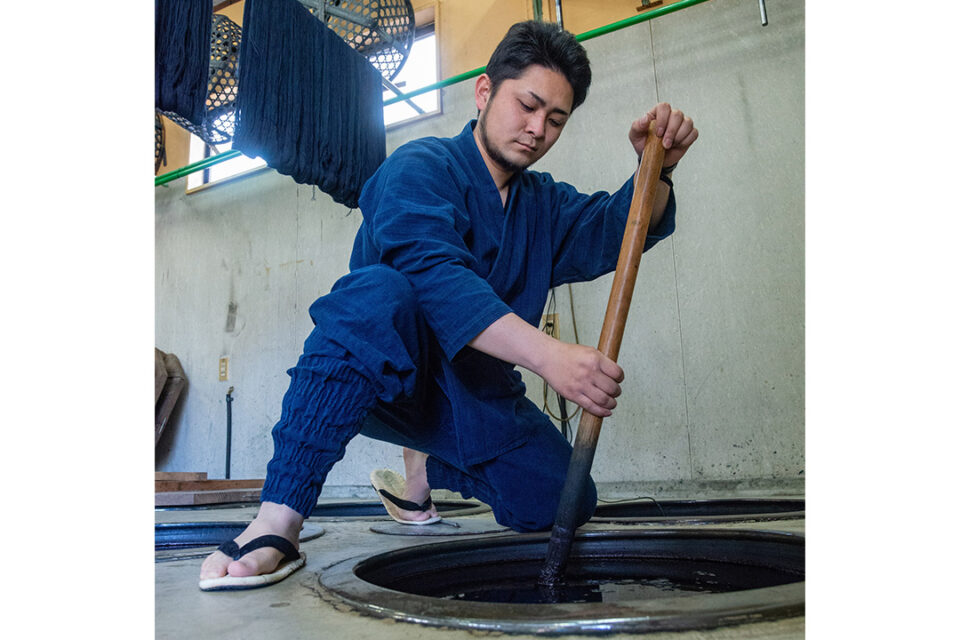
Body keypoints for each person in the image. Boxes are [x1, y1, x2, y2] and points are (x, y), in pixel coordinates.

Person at [199, 19, 698, 591]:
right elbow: (436, 278)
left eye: (555, 119)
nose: (537, 129)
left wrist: (657, 168)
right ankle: (278, 519)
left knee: (566, 499)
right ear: (485, 92)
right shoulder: (419, 168)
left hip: (477, 393)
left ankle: (424, 465)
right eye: (527, 105)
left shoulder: (543, 205)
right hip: (386, 373)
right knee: (380, 294)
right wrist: (551, 358)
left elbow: (619, 227)